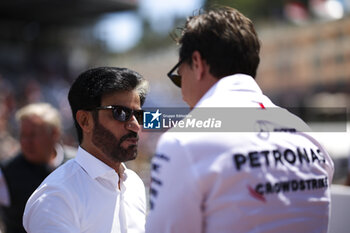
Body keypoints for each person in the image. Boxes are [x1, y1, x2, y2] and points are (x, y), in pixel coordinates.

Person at [146, 6, 334, 233]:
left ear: (197, 64)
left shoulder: (182, 142)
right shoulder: (309, 138)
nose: (182, 90)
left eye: (178, 76)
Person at [23, 67, 149, 233]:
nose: (135, 125)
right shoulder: (56, 199)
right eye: (120, 113)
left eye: (138, 115)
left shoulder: (134, 184)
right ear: (85, 121)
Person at [0, 102, 76, 233]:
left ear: (54, 133)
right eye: (23, 135)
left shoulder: (77, 164)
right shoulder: (7, 172)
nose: (26, 142)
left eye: (33, 135)